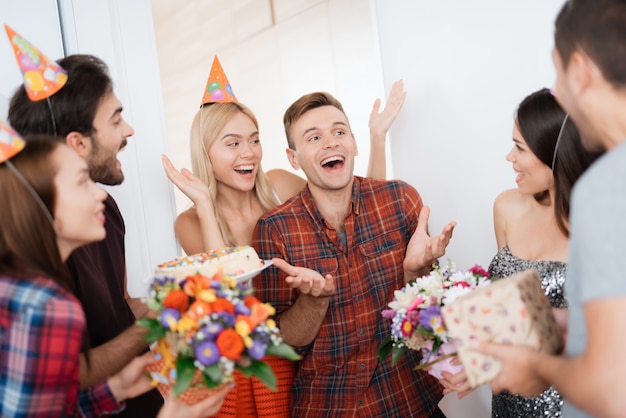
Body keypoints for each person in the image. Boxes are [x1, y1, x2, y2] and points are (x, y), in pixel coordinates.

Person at [161, 80, 405, 417]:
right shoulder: (189, 222)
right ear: (205, 152)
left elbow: (354, 208)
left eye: (254, 140)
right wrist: (204, 203)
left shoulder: (279, 185)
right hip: (258, 367)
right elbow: (223, 297)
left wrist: (376, 138)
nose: (249, 153)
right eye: (233, 143)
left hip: (312, 352)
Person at [250, 91, 456, 417]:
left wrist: (415, 274)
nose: (331, 142)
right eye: (314, 137)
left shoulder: (400, 201)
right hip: (330, 408)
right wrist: (313, 302)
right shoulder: (275, 229)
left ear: (354, 144)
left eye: (339, 131)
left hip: (410, 401)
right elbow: (282, 343)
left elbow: (429, 323)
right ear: (294, 158)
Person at [0, 134, 231, 417]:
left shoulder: (15, 286)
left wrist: (113, 389)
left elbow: (40, 405)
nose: (100, 193)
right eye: (82, 182)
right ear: (41, 205)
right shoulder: (49, 306)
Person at [478, 1, 626, 417]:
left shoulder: (603, 190)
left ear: (579, 71)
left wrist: (537, 367)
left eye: (557, 70)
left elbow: (613, 392)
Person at [8, 54, 163, 416]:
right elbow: (60, 380)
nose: (129, 130)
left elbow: (120, 305)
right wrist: (163, 321)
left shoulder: (104, 210)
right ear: (77, 143)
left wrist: (180, 300)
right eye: (116, 118)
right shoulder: (37, 295)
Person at [440, 88, 600, 416]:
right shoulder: (507, 207)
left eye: (519, 147)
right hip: (509, 398)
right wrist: (480, 363)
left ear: (555, 154)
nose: (509, 157)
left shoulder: (602, 228)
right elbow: (509, 312)